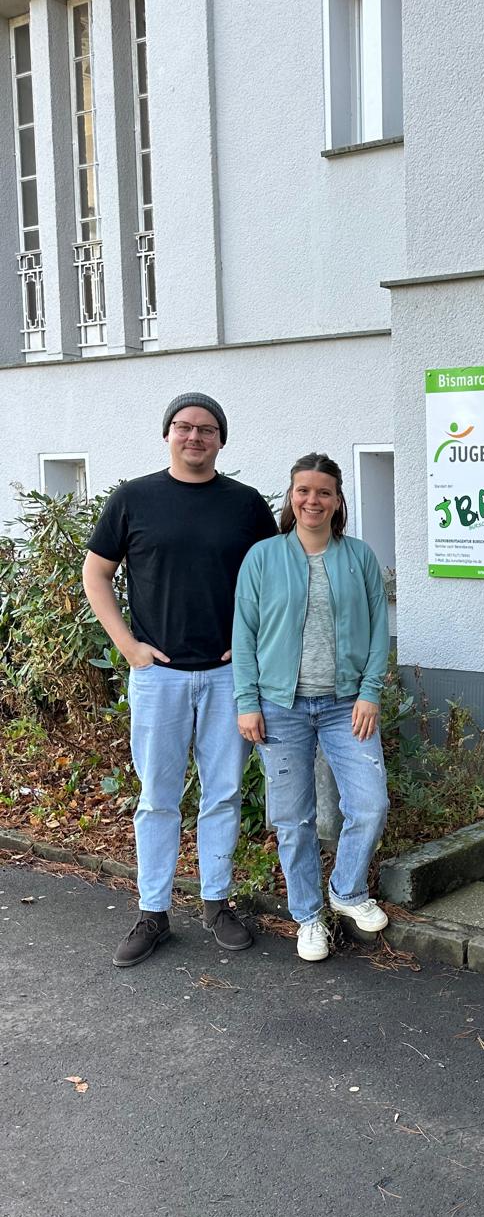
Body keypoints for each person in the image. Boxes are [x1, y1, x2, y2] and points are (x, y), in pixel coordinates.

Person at [83, 394, 277, 967]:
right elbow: (96, 574)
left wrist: (250, 644)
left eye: (208, 429)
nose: (196, 436)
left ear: (222, 439)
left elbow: (270, 579)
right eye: (185, 427)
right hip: (159, 678)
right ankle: (153, 912)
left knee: (222, 794)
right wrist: (129, 648)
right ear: (167, 433)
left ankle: (217, 903)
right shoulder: (133, 498)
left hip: (226, 677)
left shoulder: (243, 505)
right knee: (157, 799)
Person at [232, 453, 391, 963]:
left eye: (323, 492)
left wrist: (370, 691)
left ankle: (345, 892)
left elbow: (377, 632)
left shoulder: (360, 557)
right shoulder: (263, 557)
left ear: (338, 500)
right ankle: (307, 915)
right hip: (281, 707)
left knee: (370, 804)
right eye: (303, 490)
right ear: (291, 496)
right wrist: (247, 701)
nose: (312, 500)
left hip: (347, 705)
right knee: (294, 819)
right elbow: (245, 633)